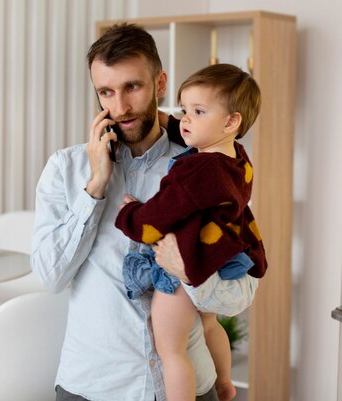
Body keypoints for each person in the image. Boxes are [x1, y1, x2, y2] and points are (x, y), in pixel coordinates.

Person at [31, 23, 259, 401]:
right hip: (93, 387)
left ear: (160, 84)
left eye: (132, 87)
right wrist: (95, 189)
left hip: (190, 387)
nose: (119, 108)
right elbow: (51, 276)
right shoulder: (66, 169)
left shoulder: (206, 168)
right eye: (106, 92)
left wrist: (188, 271)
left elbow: (242, 292)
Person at [115, 63, 266, 401]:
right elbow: (192, 135)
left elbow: (157, 216)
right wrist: (177, 122)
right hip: (219, 260)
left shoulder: (196, 171)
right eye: (184, 110)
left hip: (185, 267)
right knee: (209, 325)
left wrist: (130, 214)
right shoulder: (236, 157)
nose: (185, 120)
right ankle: (225, 382)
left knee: (170, 348)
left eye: (198, 112)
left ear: (231, 122)